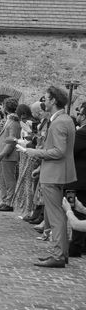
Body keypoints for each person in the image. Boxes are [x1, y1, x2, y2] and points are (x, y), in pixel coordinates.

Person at [18, 86, 77, 268]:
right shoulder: (65, 119)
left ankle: (59, 254)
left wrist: (32, 152)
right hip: (56, 171)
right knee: (58, 214)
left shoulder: (59, 122)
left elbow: (59, 151)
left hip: (54, 174)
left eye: (45, 99)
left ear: (53, 101)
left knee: (55, 216)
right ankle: (62, 253)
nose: (43, 102)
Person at [65, 102, 86, 256]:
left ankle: (76, 246)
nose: (78, 116)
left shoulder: (82, 133)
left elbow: (70, 151)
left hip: (77, 180)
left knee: (74, 209)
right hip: (80, 180)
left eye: (79, 113)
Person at [0, 97, 21, 212]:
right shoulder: (8, 120)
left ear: (6, 107)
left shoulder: (14, 122)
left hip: (9, 155)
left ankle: (9, 202)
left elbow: (12, 141)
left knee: (9, 180)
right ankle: (4, 200)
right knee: (2, 179)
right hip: (3, 154)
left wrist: (2, 154)